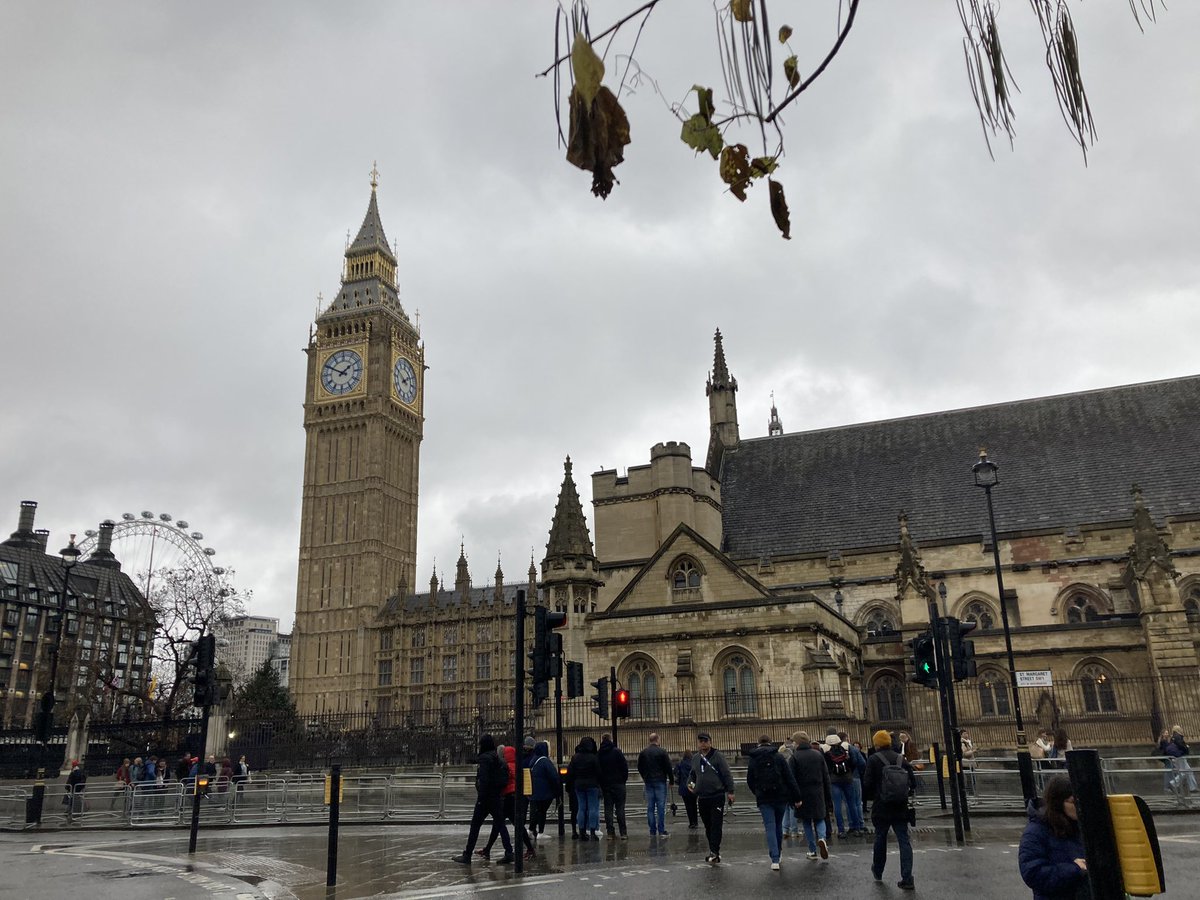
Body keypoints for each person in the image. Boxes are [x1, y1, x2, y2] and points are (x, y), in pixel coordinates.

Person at [1018, 774, 1088, 900]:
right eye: (1073, 802)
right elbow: (1033, 874)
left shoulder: (1083, 827)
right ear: (1058, 802)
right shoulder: (1036, 831)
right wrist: (1074, 869)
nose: (1079, 806)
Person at [863, 728, 916, 890]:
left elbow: (867, 784)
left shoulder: (873, 759)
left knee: (880, 838)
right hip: (900, 806)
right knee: (904, 840)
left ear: (877, 744)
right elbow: (912, 782)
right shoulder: (900, 758)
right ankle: (907, 877)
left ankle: (878, 871)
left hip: (882, 806)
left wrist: (875, 796)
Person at [452, 734, 514, 865]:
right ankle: (509, 852)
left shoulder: (485, 759)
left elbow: (484, 780)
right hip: (496, 797)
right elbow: (504, 779)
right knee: (501, 825)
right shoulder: (498, 759)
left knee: (475, 826)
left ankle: (467, 855)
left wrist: (481, 797)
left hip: (485, 799)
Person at [747, 734, 802, 871]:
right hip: (780, 796)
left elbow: (750, 780)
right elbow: (789, 778)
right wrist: (797, 797)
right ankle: (779, 852)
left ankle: (775, 858)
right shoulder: (779, 757)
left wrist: (757, 792)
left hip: (764, 797)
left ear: (758, 743)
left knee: (770, 826)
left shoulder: (753, 758)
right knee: (778, 825)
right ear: (771, 743)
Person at [481, 744, 535, 859]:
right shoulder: (516, 766)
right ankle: (488, 849)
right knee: (507, 825)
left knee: (500, 824)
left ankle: (511, 851)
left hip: (507, 797)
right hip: (515, 797)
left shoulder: (505, 766)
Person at [689, 732, 735, 865]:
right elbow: (692, 775)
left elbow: (727, 774)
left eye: (705, 741)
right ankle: (713, 850)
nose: (703, 743)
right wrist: (691, 786)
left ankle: (714, 851)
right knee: (708, 825)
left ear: (710, 742)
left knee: (716, 824)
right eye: (700, 741)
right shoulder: (695, 758)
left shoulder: (718, 756)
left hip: (717, 795)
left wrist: (730, 791)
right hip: (702, 796)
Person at [788, 730, 831, 861]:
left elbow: (791, 779)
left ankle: (812, 850)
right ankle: (822, 838)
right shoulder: (818, 755)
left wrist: (794, 798)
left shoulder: (794, 757)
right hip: (818, 791)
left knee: (806, 821)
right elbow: (826, 777)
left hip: (802, 793)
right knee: (820, 818)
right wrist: (827, 795)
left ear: (797, 743)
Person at [637, 732, 673, 837]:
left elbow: (639, 767)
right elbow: (668, 767)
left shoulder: (643, 752)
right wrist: (671, 780)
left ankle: (652, 831)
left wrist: (645, 777)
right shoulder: (662, 752)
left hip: (648, 781)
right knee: (661, 807)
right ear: (657, 740)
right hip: (660, 781)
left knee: (650, 807)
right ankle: (661, 830)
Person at [568, 736, 602, 840]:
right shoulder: (593, 757)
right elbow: (599, 772)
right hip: (592, 785)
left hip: (579, 785)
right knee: (592, 808)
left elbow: (570, 773)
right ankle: (592, 831)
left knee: (581, 808)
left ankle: (581, 831)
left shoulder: (575, 757)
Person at [824, 733, 857, 838]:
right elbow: (854, 762)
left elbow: (826, 768)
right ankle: (856, 828)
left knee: (837, 805)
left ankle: (841, 830)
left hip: (834, 781)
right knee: (852, 804)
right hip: (847, 779)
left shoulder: (826, 754)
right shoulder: (846, 751)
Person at [598, 733, 629, 840]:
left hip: (606, 785)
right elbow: (625, 768)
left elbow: (598, 771)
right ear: (611, 739)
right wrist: (622, 780)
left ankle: (610, 833)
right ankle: (623, 833)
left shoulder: (599, 753)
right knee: (620, 808)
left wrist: (602, 783)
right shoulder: (617, 752)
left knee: (608, 809)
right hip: (618, 784)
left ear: (602, 740)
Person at [528, 740, 560, 840]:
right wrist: (557, 791)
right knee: (542, 811)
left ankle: (531, 829)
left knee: (536, 811)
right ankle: (541, 832)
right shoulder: (545, 761)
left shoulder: (533, 760)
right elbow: (554, 776)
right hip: (544, 792)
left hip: (534, 791)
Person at [1163, 725, 1196, 806]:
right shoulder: (1178, 736)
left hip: (1177, 757)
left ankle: (1192, 787)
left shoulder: (1173, 737)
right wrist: (1186, 748)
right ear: (1178, 729)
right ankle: (1174, 783)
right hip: (1180, 756)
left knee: (1187, 771)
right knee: (1184, 772)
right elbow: (1181, 745)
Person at [674, 749, 698, 829]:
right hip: (692, 785)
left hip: (684, 786)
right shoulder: (694, 763)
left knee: (688, 805)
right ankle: (695, 821)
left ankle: (691, 822)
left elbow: (675, 773)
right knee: (694, 804)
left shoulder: (680, 764)